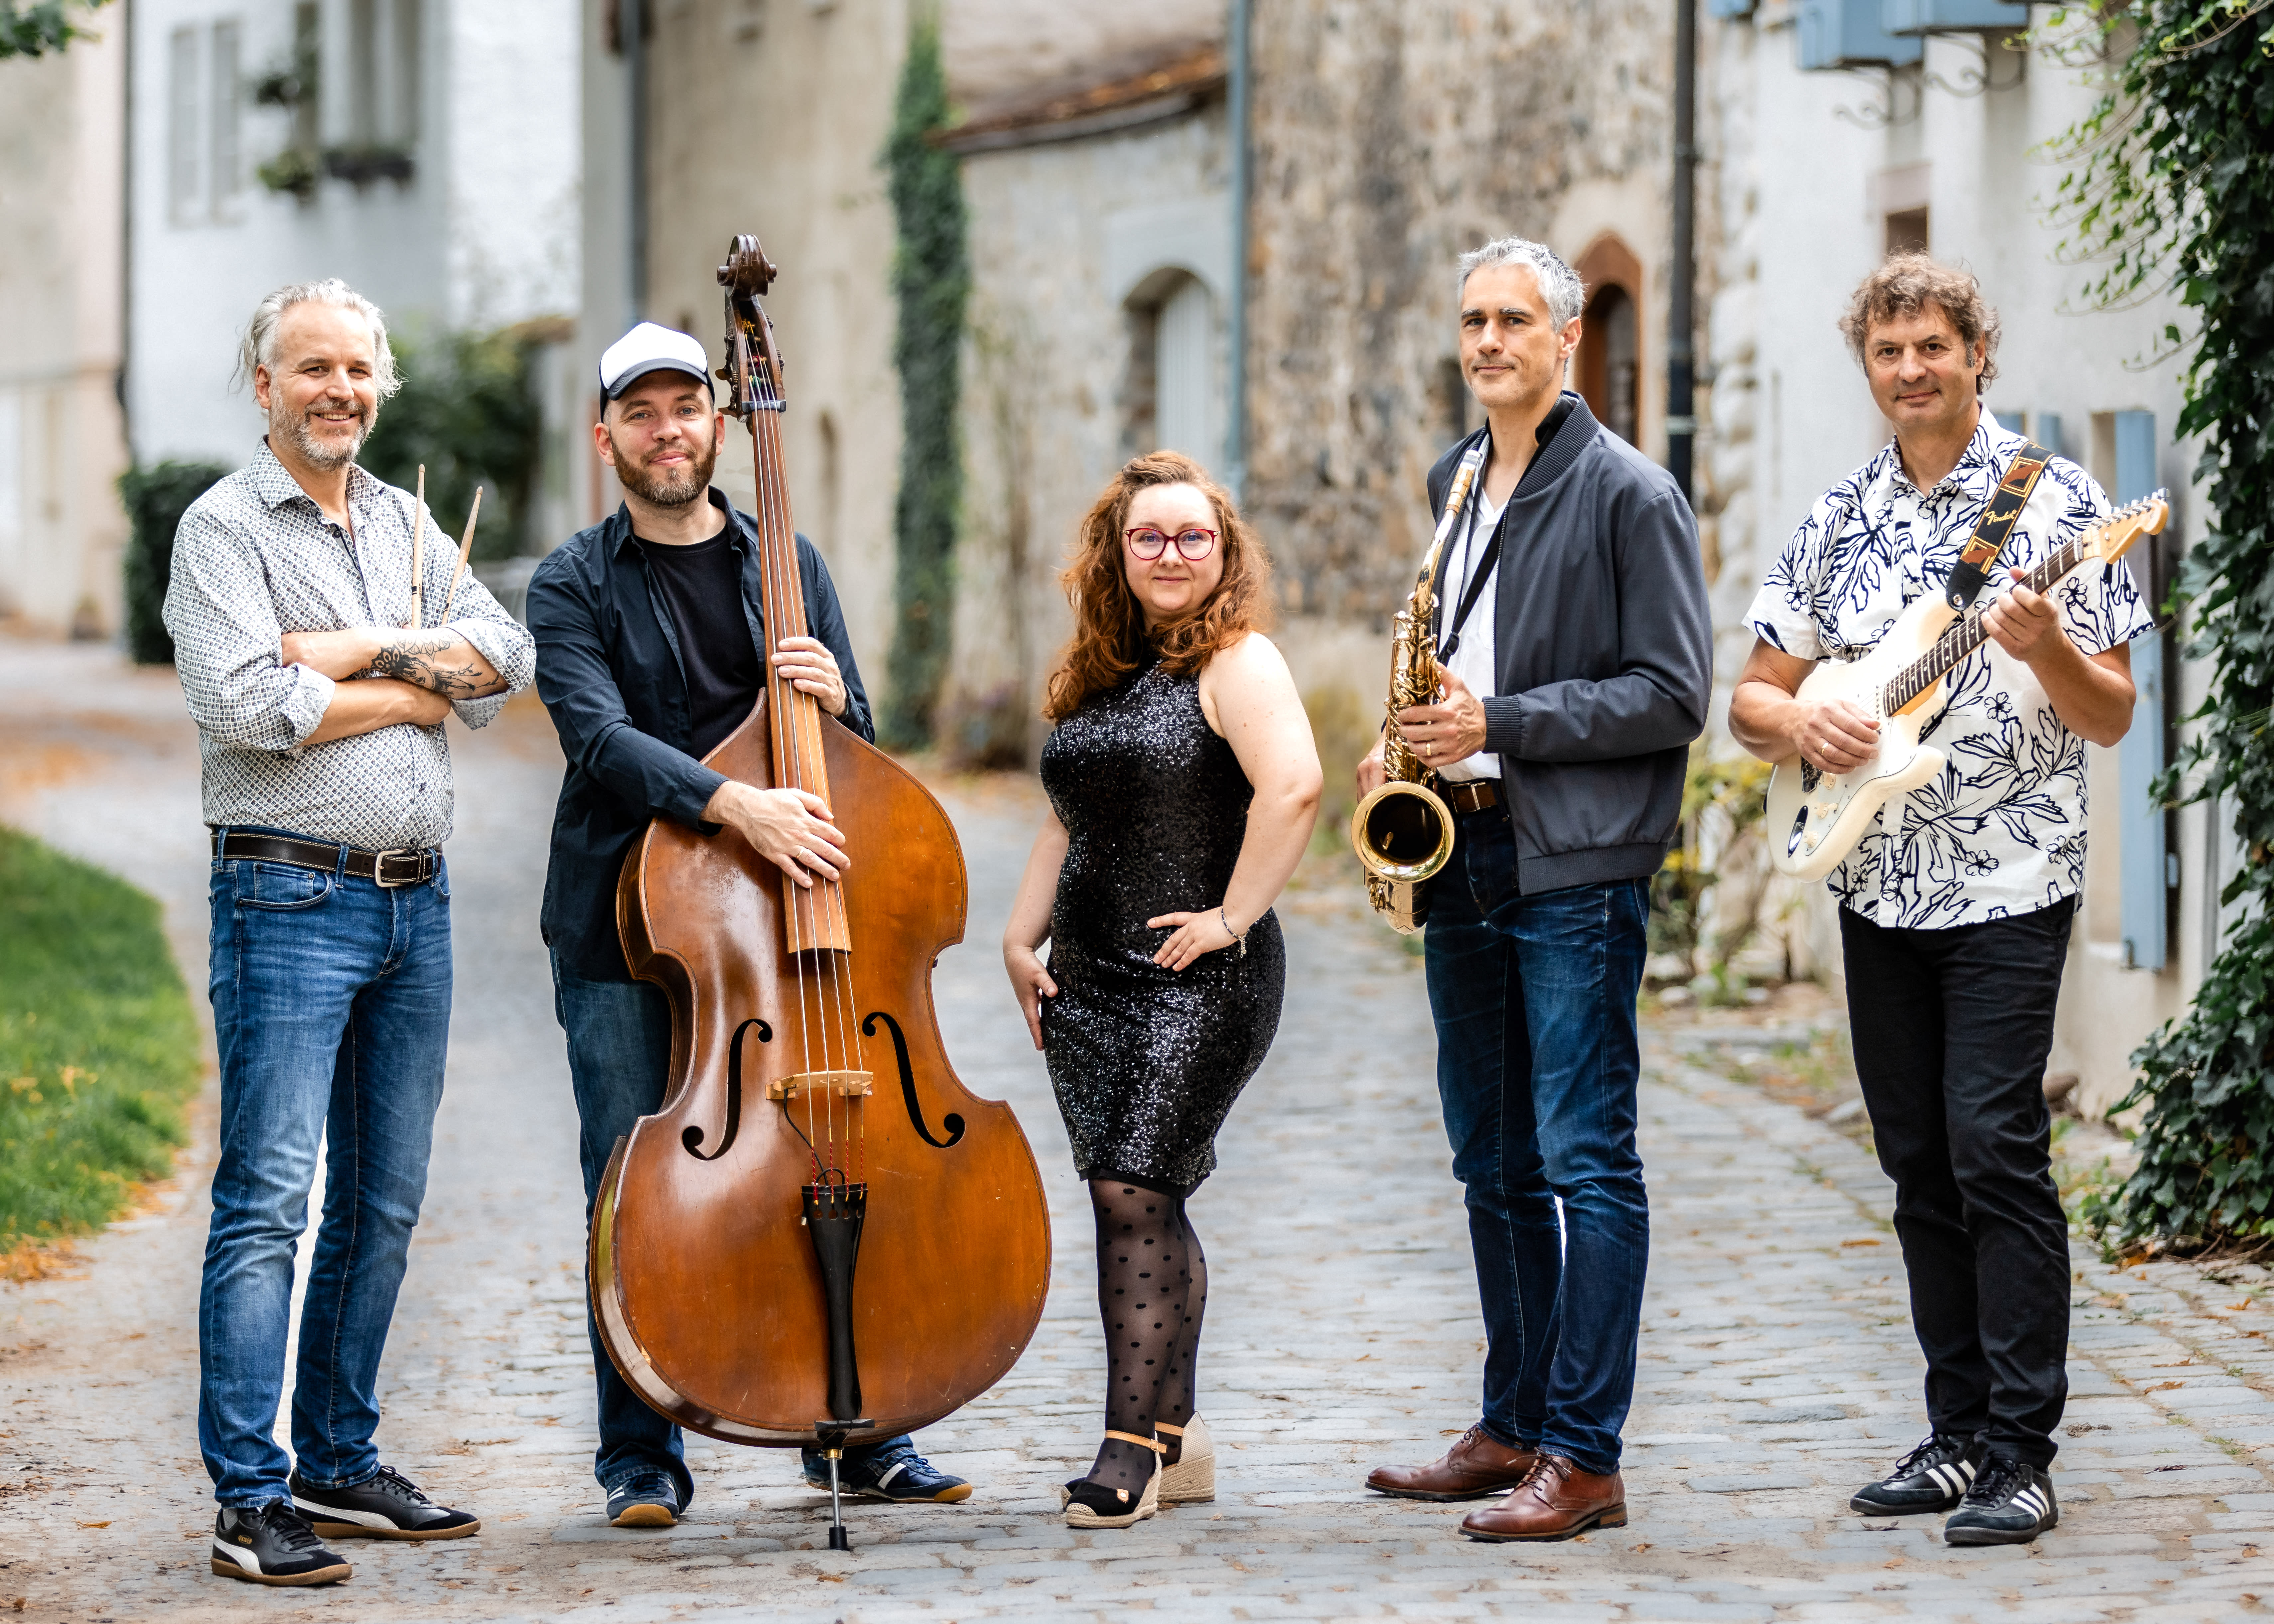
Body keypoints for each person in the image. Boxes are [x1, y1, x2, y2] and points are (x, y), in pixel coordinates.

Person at [1730, 255, 2148, 1546]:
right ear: (1869, 365)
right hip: (1875, 880)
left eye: (1933, 346)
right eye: (1889, 350)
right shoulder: (1840, 515)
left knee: (1993, 1146)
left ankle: (2023, 1450)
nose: (1911, 369)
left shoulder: (2062, 502)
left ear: (1977, 354)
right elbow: (1752, 698)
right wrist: (1802, 720)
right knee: (1915, 1160)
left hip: (2013, 876)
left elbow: (2112, 715)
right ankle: (1956, 1432)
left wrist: (2048, 644)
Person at [525, 322, 972, 1530]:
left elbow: (857, 746)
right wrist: (735, 807)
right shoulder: (572, 582)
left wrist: (840, 700)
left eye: (686, 407)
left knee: (834, 1158)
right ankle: (641, 1454)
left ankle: (864, 1428)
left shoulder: (788, 560)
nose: (667, 431)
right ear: (606, 438)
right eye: (642, 413)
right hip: (630, 925)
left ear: (718, 423)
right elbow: (599, 739)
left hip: (789, 927)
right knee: (631, 1185)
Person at [164, 279, 535, 1586]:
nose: (340, 390)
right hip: (288, 900)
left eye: (358, 370)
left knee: (383, 1199)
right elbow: (246, 703)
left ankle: (336, 1456)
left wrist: (343, 653)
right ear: (264, 385)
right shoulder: (222, 529)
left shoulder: (405, 518)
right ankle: (249, 1499)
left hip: (414, 903)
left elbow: (500, 658)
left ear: (381, 384)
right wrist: (410, 672)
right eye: (312, 368)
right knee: (271, 1198)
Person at [1360, 238, 1713, 1542]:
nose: (1489, 341)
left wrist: (1498, 722)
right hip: (1460, 849)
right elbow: (1458, 654)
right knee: (1492, 1160)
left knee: (1585, 1159)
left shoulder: (1632, 493)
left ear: (1568, 338)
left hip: (1575, 861)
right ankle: (1512, 1424)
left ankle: (1585, 1455)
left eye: (1515, 320)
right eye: (1473, 321)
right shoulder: (1457, 480)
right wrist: (1406, 747)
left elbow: (1673, 693)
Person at [1002, 451, 1322, 1530]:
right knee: (1145, 1192)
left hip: (1201, 978)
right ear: (1118, 551)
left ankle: (1127, 1449)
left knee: (1131, 1187)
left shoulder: (1239, 659)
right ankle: (1177, 1434)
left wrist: (1233, 915)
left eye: (1195, 536)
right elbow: (1068, 818)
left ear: (1225, 551)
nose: (1173, 554)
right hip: (1089, 981)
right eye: (1150, 536)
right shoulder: (1104, 667)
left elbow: (1295, 786)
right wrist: (1020, 936)